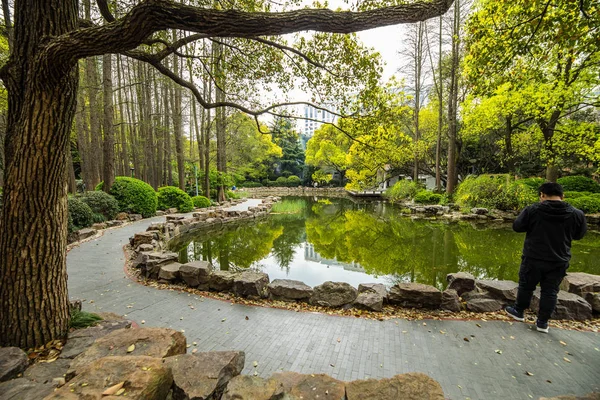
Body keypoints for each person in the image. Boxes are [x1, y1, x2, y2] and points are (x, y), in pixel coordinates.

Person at [505, 182, 587, 333]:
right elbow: (579, 235)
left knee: (526, 285)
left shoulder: (533, 210)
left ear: (542, 195)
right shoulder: (576, 214)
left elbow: (517, 226)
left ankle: (518, 311)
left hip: (533, 257)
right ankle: (542, 323)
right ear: (562, 196)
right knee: (550, 291)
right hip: (559, 259)